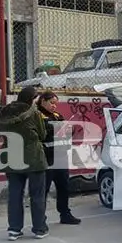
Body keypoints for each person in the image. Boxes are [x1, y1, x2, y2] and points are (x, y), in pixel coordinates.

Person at [0, 86, 49, 240]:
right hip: (33, 158)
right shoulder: (34, 113)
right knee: (37, 195)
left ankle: (14, 229)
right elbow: (42, 134)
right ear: (31, 99)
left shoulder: (2, 113)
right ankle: (39, 228)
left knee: (14, 194)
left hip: (11, 157)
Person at [36, 91, 81, 225]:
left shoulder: (57, 116)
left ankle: (65, 214)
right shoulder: (38, 116)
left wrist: (69, 129)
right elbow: (42, 134)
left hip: (61, 157)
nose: (54, 106)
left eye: (56, 103)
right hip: (47, 159)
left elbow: (67, 133)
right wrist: (57, 130)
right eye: (51, 103)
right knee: (43, 190)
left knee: (63, 187)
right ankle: (40, 218)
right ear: (43, 101)